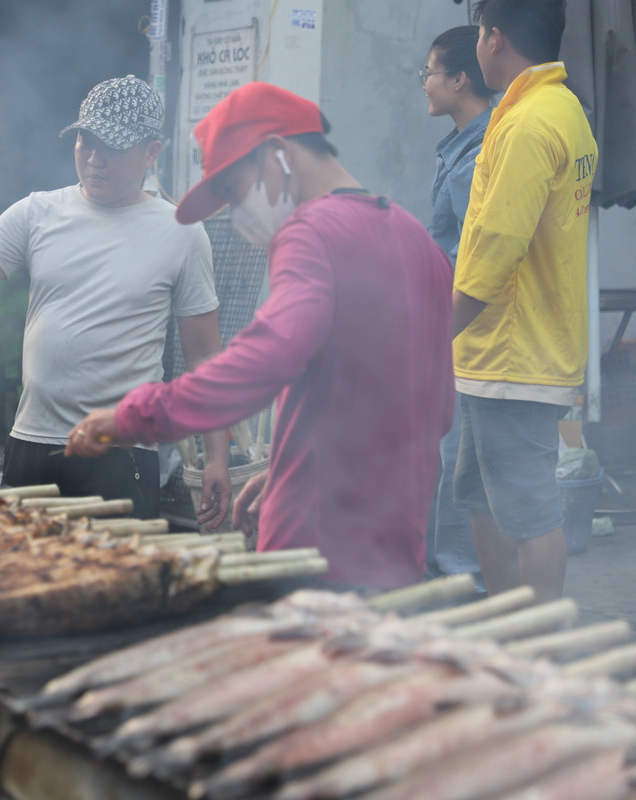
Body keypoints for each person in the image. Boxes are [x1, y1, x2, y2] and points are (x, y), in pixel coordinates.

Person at [65, 82, 454, 589]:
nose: (234, 208)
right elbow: (434, 409)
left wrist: (131, 415)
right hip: (396, 544)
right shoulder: (415, 237)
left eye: (231, 187)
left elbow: (269, 354)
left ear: (279, 155)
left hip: (313, 553)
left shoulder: (310, 232)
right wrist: (289, 468)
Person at [0, 75, 229, 524]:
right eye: (85, 142)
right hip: (32, 442)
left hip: (120, 453)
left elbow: (206, 356)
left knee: (110, 587)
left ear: (151, 152)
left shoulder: (182, 232)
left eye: (111, 149)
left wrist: (217, 458)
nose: (94, 160)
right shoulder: (38, 212)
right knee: (20, 583)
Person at [451, 0, 597, 602]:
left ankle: (539, 647)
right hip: (509, 350)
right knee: (481, 496)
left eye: (480, 33)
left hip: (512, 355)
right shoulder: (561, 108)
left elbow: (494, 250)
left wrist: (432, 332)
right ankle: (506, 626)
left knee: (529, 511)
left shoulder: (528, 123)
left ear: (495, 38)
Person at [422, 25, 494, 587]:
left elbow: (481, 258)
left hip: (468, 331)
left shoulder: (476, 158)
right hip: (456, 328)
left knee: (458, 461)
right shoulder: (460, 146)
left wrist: (436, 332)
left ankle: (462, 576)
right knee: (451, 456)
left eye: (429, 73)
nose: (424, 84)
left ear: (459, 78)